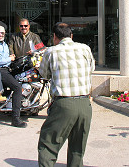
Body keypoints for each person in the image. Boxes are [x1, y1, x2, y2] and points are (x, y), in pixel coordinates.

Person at [37, 22, 95, 167]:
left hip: (64, 103)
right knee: (77, 147)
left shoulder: (51, 51)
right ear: (71, 35)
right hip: (84, 104)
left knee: (48, 143)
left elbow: (44, 74)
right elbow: (91, 68)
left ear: (55, 37)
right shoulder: (85, 48)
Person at [0, 25, 27, 128]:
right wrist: (10, 59)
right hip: (0, 70)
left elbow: (9, 58)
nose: (0, 35)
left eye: (2, 33)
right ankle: (15, 119)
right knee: (17, 88)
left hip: (7, 69)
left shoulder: (4, 44)